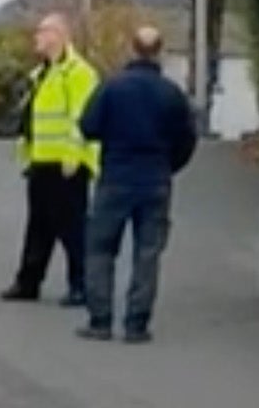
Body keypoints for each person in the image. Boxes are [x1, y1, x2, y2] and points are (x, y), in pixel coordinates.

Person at [75, 25, 196, 344]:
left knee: (100, 249)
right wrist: (168, 166)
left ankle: (100, 321)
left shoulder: (112, 88)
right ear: (160, 51)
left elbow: (88, 127)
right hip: (155, 180)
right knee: (148, 253)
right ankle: (136, 324)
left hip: (115, 177)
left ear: (132, 49)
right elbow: (187, 140)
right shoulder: (172, 94)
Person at [0, 12, 99, 307]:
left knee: (73, 228)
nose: (37, 37)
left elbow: (80, 118)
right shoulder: (41, 74)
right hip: (42, 161)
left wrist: (73, 156)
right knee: (39, 226)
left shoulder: (78, 73)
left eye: (43, 31)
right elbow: (34, 118)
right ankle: (28, 282)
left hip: (67, 163)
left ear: (59, 35)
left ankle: (82, 285)